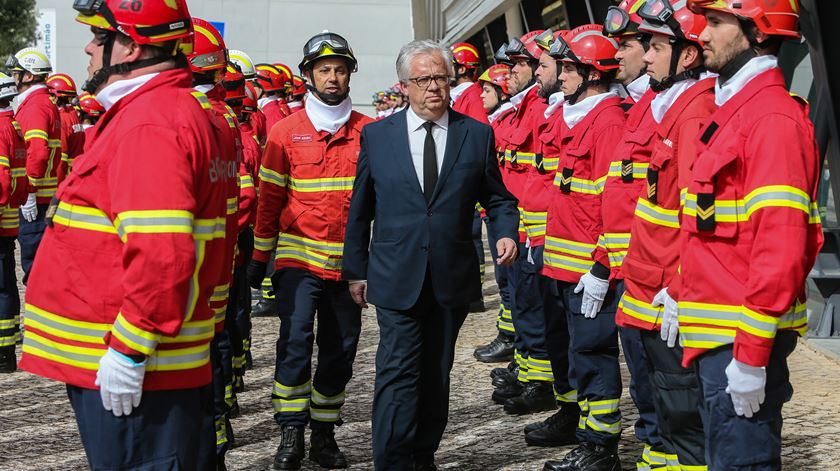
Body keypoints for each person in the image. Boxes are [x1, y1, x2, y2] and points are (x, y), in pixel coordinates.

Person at [18, 0, 228, 468]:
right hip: (146, 362)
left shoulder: (149, 122)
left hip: (137, 365)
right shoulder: (162, 112)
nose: (90, 49)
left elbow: (162, 253)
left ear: (130, 46)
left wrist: (129, 352)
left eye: (99, 37)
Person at [342, 39, 519, 471]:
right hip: (394, 274)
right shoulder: (377, 136)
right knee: (397, 372)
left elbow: (499, 199)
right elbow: (360, 209)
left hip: (450, 275)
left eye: (441, 78)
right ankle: (392, 460)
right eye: (423, 80)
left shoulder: (475, 135)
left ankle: (423, 456)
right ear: (404, 85)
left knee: (437, 375)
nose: (434, 88)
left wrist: (506, 233)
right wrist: (355, 270)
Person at [675, 0, 821, 468]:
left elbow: (781, 246)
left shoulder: (770, 119)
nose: (703, 32)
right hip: (719, 338)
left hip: (739, 342)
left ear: (756, 32)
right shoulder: (738, 111)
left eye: (717, 22)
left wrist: (753, 355)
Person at [246, 31, 372, 471]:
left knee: (341, 350)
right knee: (295, 342)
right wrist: (260, 260)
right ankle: (290, 432)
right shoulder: (283, 133)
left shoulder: (369, 132)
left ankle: (324, 432)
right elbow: (269, 202)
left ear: (349, 74)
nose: (333, 78)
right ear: (307, 76)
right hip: (298, 262)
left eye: (339, 69)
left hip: (348, 266)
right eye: (324, 70)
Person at [616, 2, 716, 469]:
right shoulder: (667, 106)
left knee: (683, 408)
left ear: (687, 57)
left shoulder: (693, 116)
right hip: (647, 283)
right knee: (663, 400)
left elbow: (699, 216)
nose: (646, 58)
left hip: (668, 291)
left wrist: (681, 287)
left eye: (655, 47)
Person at [540, 24, 627, 471]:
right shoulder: (580, 115)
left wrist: (601, 267)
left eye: (569, 68)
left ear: (592, 75)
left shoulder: (608, 123)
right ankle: (586, 434)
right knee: (578, 355)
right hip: (562, 266)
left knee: (593, 356)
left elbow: (615, 206)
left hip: (588, 272)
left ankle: (600, 448)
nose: (561, 74)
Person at [597, 1, 664, 467]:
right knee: (647, 384)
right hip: (632, 274)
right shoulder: (638, 107)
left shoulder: (662, 109)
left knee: (670, 393)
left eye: (627, 45)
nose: (615, 54)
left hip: (659, 281)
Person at [188, 18, 245, 469]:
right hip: (220, 260)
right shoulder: (223, 116)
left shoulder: (196, 118)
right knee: (215, 352)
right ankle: (217, 440)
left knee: (206, 361)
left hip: (196, 272)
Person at [490, 31, 556, 416]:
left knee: (533, 307)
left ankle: (539, 381)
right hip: (520, 221)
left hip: (536, 228)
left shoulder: (536, 107)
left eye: (518, 65)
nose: (509, 72)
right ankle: (530, 371)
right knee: (524, 304)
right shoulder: (524, 105)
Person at [519, 28, 579, 448]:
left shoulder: (600, 118)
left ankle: (589, 430)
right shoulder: (555, 111)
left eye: (542, 64)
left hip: (576, 255)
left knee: (584, 350)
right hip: (549, 243)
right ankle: (571, 412)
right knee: (559, 337)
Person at [473, 63, 518, 363]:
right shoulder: (498, 123)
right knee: (505, 283)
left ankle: (510, 338)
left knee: (509, 284)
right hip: (494, 216)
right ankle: (509, 337)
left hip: (509, 220)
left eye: (487, 91)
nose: (482, 97)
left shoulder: (504, 124)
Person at [5, 47, 60, 284]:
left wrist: (30, 190)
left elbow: (37, 152)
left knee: (34, 266)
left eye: (17, 73)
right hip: (43, 197)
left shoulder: (36, 105)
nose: (14, 77)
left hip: (36, 200)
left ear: (28, 76)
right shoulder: (42, 101)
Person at [0, 73, 27, 373]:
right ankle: (7, 349)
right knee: (6, 286)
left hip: (1, 219)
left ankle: (4, 352)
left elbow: (0, 180)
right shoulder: (14, 126)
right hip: (9, 220)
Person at [46, 73, 85, 183]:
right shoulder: (73, 115)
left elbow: (60, 160)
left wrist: (58, 189)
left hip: (64, 180)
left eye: (49, 95)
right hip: (74, 176)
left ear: (56, 97)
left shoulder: (61, 119)